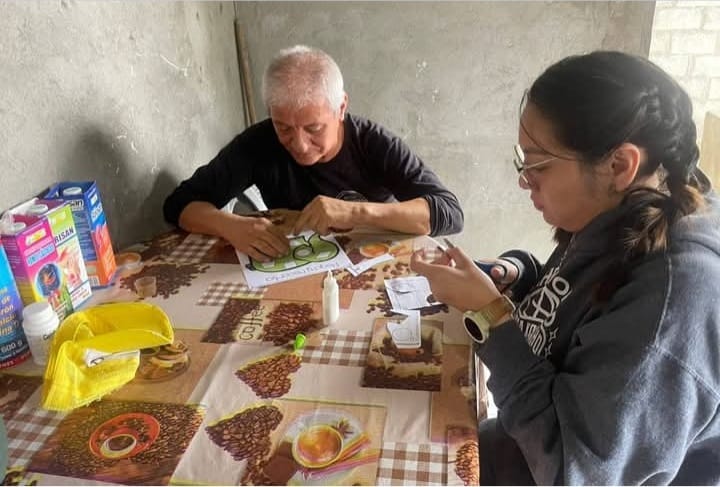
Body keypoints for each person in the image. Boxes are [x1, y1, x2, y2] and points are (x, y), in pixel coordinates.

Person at [412, 51, 720, 485]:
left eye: (537, 163)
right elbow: (574, 304)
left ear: (619, 165)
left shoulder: (675, 303)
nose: (524, 180)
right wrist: (515, 274)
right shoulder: (630, 212)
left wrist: (491, 315)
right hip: (517, 440)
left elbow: (570, 470)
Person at [163, 45, 463, 262]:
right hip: (298, 263)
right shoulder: (258, 143)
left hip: (371, 261)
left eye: (314, 128)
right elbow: (179, 205)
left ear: (341, 108)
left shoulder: (373, 143)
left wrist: (355, 212)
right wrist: (230, 226)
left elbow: (449, 213)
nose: (300, 145)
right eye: (284, 128)